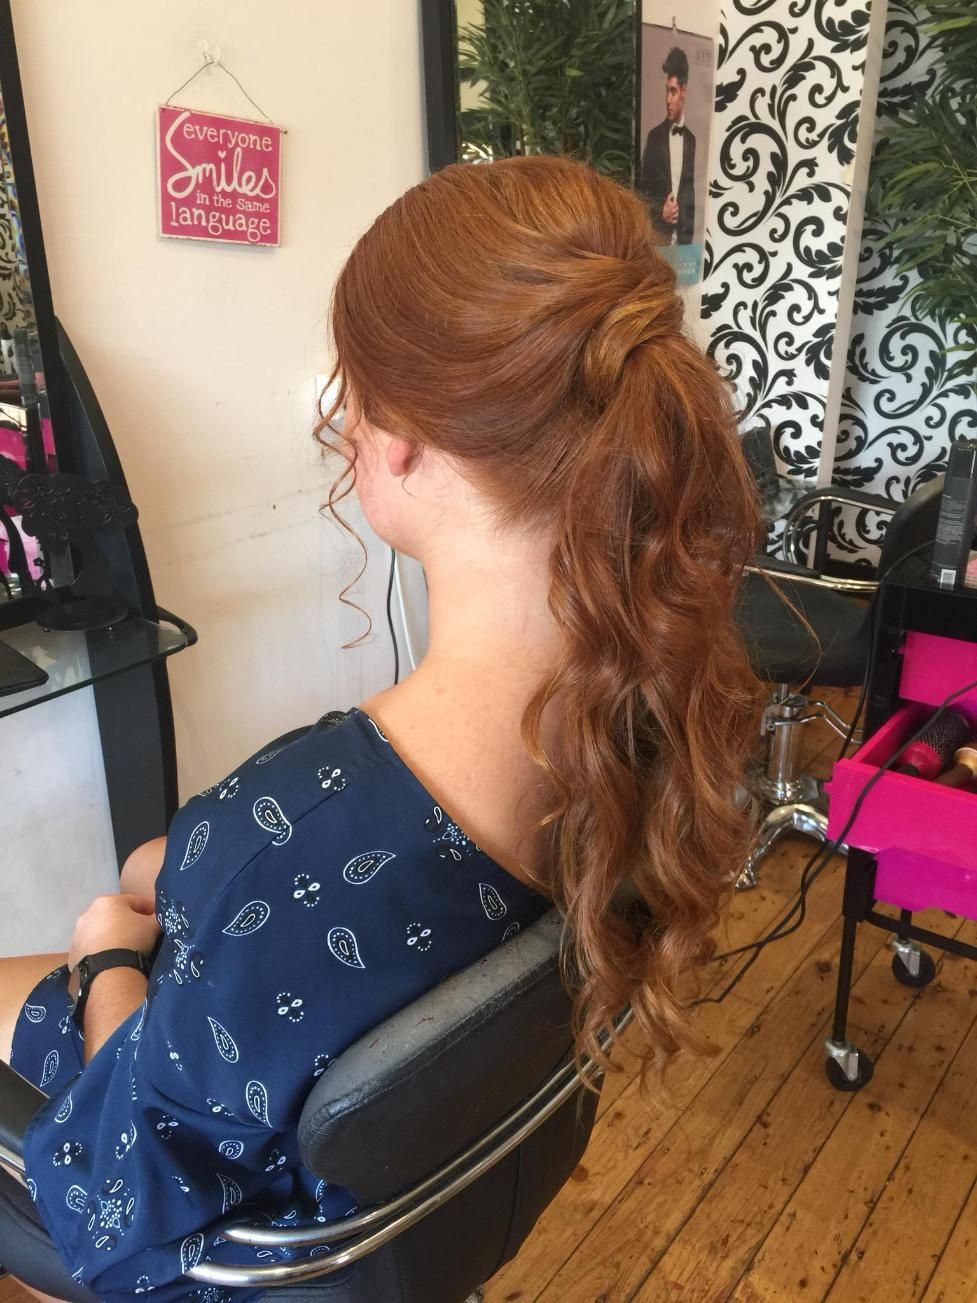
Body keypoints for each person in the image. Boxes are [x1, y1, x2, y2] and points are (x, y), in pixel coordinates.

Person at [0, 153, 760, 1301]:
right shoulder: (649, 712)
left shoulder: (300, 828)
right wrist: (192, 872)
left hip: (234, 1215)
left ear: (396, 436)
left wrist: (109, 947)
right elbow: (266, 912)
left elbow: (133, 1174)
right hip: (366, 1139)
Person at [638, 46, 697, 245]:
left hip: (684, 246)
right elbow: (640, 193)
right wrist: (660, 213)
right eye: (667, 91)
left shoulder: (691, 141)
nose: (668, 99)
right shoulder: (654, 138)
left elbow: (690, 195)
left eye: (673, 91)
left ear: (684, 91)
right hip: (658, 242)